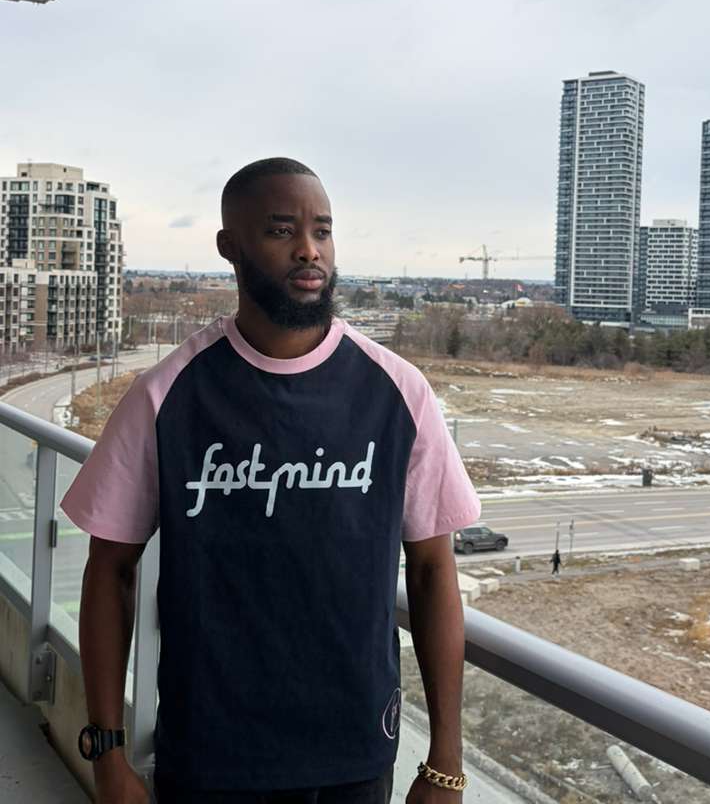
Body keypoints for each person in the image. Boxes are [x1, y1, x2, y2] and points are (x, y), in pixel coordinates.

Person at [61, 158, 482, 804]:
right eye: (282, 230)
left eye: (323, 230)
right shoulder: (167, 395)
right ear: (230, 246)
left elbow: (431, 573)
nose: (309, 249)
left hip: (356, 758)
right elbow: (109, 570)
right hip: (210, 762)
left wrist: (445, 761)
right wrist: (108, 755)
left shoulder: (398, 393)